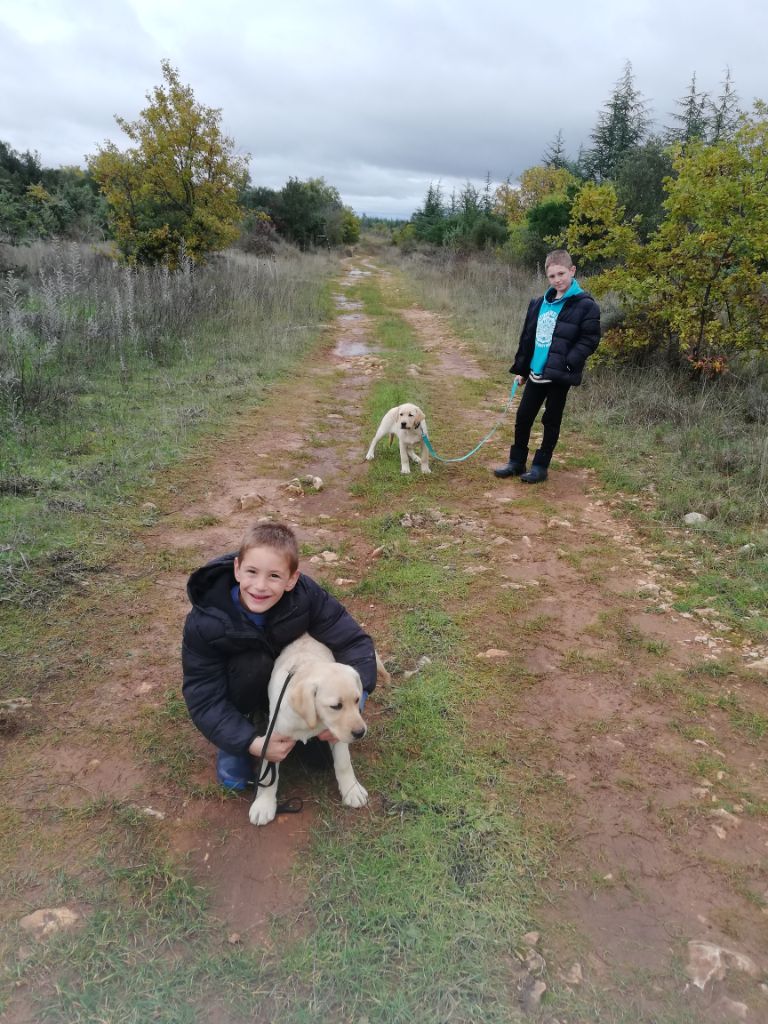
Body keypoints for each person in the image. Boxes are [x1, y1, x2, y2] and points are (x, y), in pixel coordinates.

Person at [181, 521, 377, 790]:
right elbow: (203, 695)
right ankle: (239, 736)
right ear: (237, 569)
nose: (260, 586)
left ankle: (298, 722)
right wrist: (250, 742)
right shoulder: (205, 622)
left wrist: (356, 698)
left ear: (291, 579)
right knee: (254, 664)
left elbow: (353, 641)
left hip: (295, 687)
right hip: (244, 682)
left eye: (274, 576)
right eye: (251, 572)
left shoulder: (307, 596)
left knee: (319, 762)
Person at [494, 249, 601, 483]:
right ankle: (516, 461)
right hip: (536, 373)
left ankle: (540, 466)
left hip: (560, 375)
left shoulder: (586, 305)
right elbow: (528, 339)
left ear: (572, 271)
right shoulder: (538, 303)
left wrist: (569, 362)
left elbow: (589, 339)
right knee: (523, 417)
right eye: (552, 276)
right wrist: (522, 371)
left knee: (550, 420)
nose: (557, 280)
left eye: (561, 273)